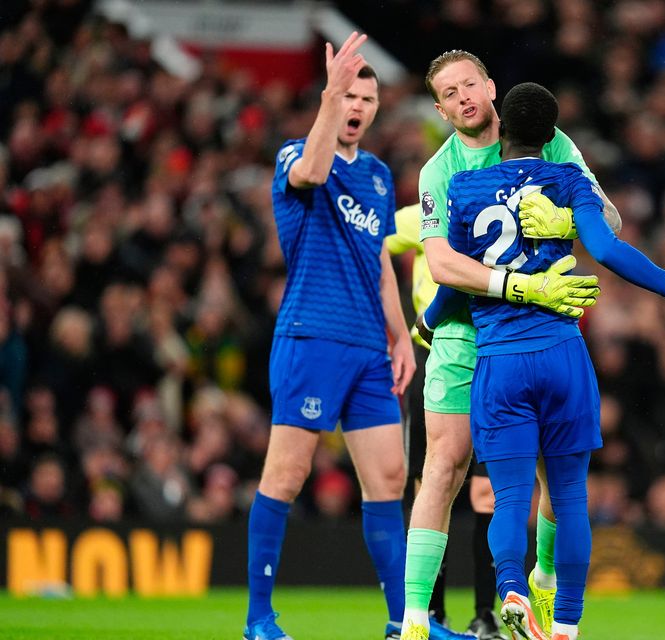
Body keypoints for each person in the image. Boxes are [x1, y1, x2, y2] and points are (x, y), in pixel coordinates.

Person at [430, 81, 665, 640]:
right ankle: (565, 625)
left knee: (511, 496)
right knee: (567, 496)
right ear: (552, 135)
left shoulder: (464, 189)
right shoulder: (568, 179)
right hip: (562, 355)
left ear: (502, 128)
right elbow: (610, 249)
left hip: (500, 362)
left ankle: (511, 591)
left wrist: (428, 319)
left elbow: (454, 282)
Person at [400, 50, 617, 640]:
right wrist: (517, 284)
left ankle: (540, 587)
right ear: (442, 110)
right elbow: (440, 262)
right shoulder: (437, 172)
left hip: (536, 338)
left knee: (553, 480)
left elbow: (612, 220)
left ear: (491, 87)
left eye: (470, 83)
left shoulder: (546, 139)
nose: (464, 96)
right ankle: (414, 622)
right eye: (450, 92)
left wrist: (565, 222)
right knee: (441, 471)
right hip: (465, 337)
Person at [244, 33, 424, 640]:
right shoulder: (297, 153)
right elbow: (313, 170)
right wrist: (327, 98)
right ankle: (259, 619)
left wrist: (400, 337)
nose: (357, 106)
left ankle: (405, 622)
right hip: (312, 336)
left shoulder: (376, 176)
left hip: (370, 349)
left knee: (390, 479)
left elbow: (377, 262)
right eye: (348, 95)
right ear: (331, 98)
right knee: (287, 475)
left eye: (366, 99)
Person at [387, 205, 506, 640]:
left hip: (491, 347)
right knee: (429, 484)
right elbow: (374, 243)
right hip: (433, 349)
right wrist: (396, 324)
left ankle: (484, 613)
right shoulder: (423, 213)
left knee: (485, 493)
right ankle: (429, 613)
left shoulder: (494, 205)